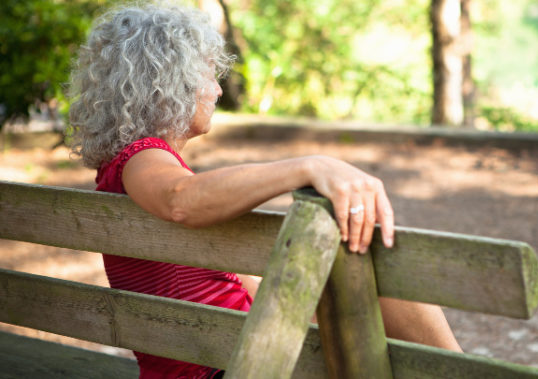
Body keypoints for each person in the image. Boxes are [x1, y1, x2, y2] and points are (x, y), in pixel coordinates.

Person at [69, 3, 461, 378]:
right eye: (208, 75)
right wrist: (309, 165)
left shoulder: (130, 163)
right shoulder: (142, 157)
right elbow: (180, 200)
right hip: (226, 366)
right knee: (375, 273)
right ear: (171, 81)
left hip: (231, 354)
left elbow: (237, 286)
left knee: (367, 291)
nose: (218, 91)